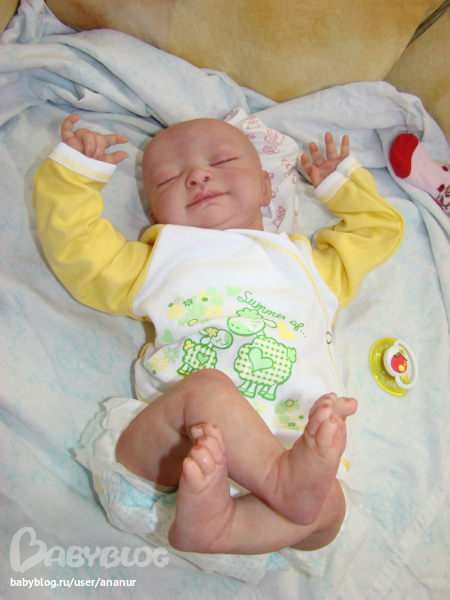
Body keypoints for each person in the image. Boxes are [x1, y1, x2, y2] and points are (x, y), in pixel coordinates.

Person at [33, 114, 404, 578]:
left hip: (271, 509)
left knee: (329, 500)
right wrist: (75, 174)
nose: (198, 175)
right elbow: (77, 250)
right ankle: (272, 485)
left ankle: (224, 527)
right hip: (168, 464)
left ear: (266, 188)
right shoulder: (160, 260)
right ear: (155, 215)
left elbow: (380, 230)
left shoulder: (310, 267)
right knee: (209, 389)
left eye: (223, 160)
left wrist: (340, 184)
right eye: (168, 178)